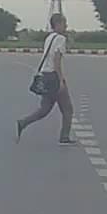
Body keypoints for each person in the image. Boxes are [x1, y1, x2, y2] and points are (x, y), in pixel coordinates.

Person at [17, 13, 76, 145]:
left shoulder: (49, 38)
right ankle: (64, 137)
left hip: (45, 75)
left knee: (45, 109)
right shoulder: (60, 39)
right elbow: (56, 60)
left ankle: (23, 122)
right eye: (64, 23)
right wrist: (61, 80)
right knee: (68, 109)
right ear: (58, 24)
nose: (66, 26)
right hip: (54, 76)